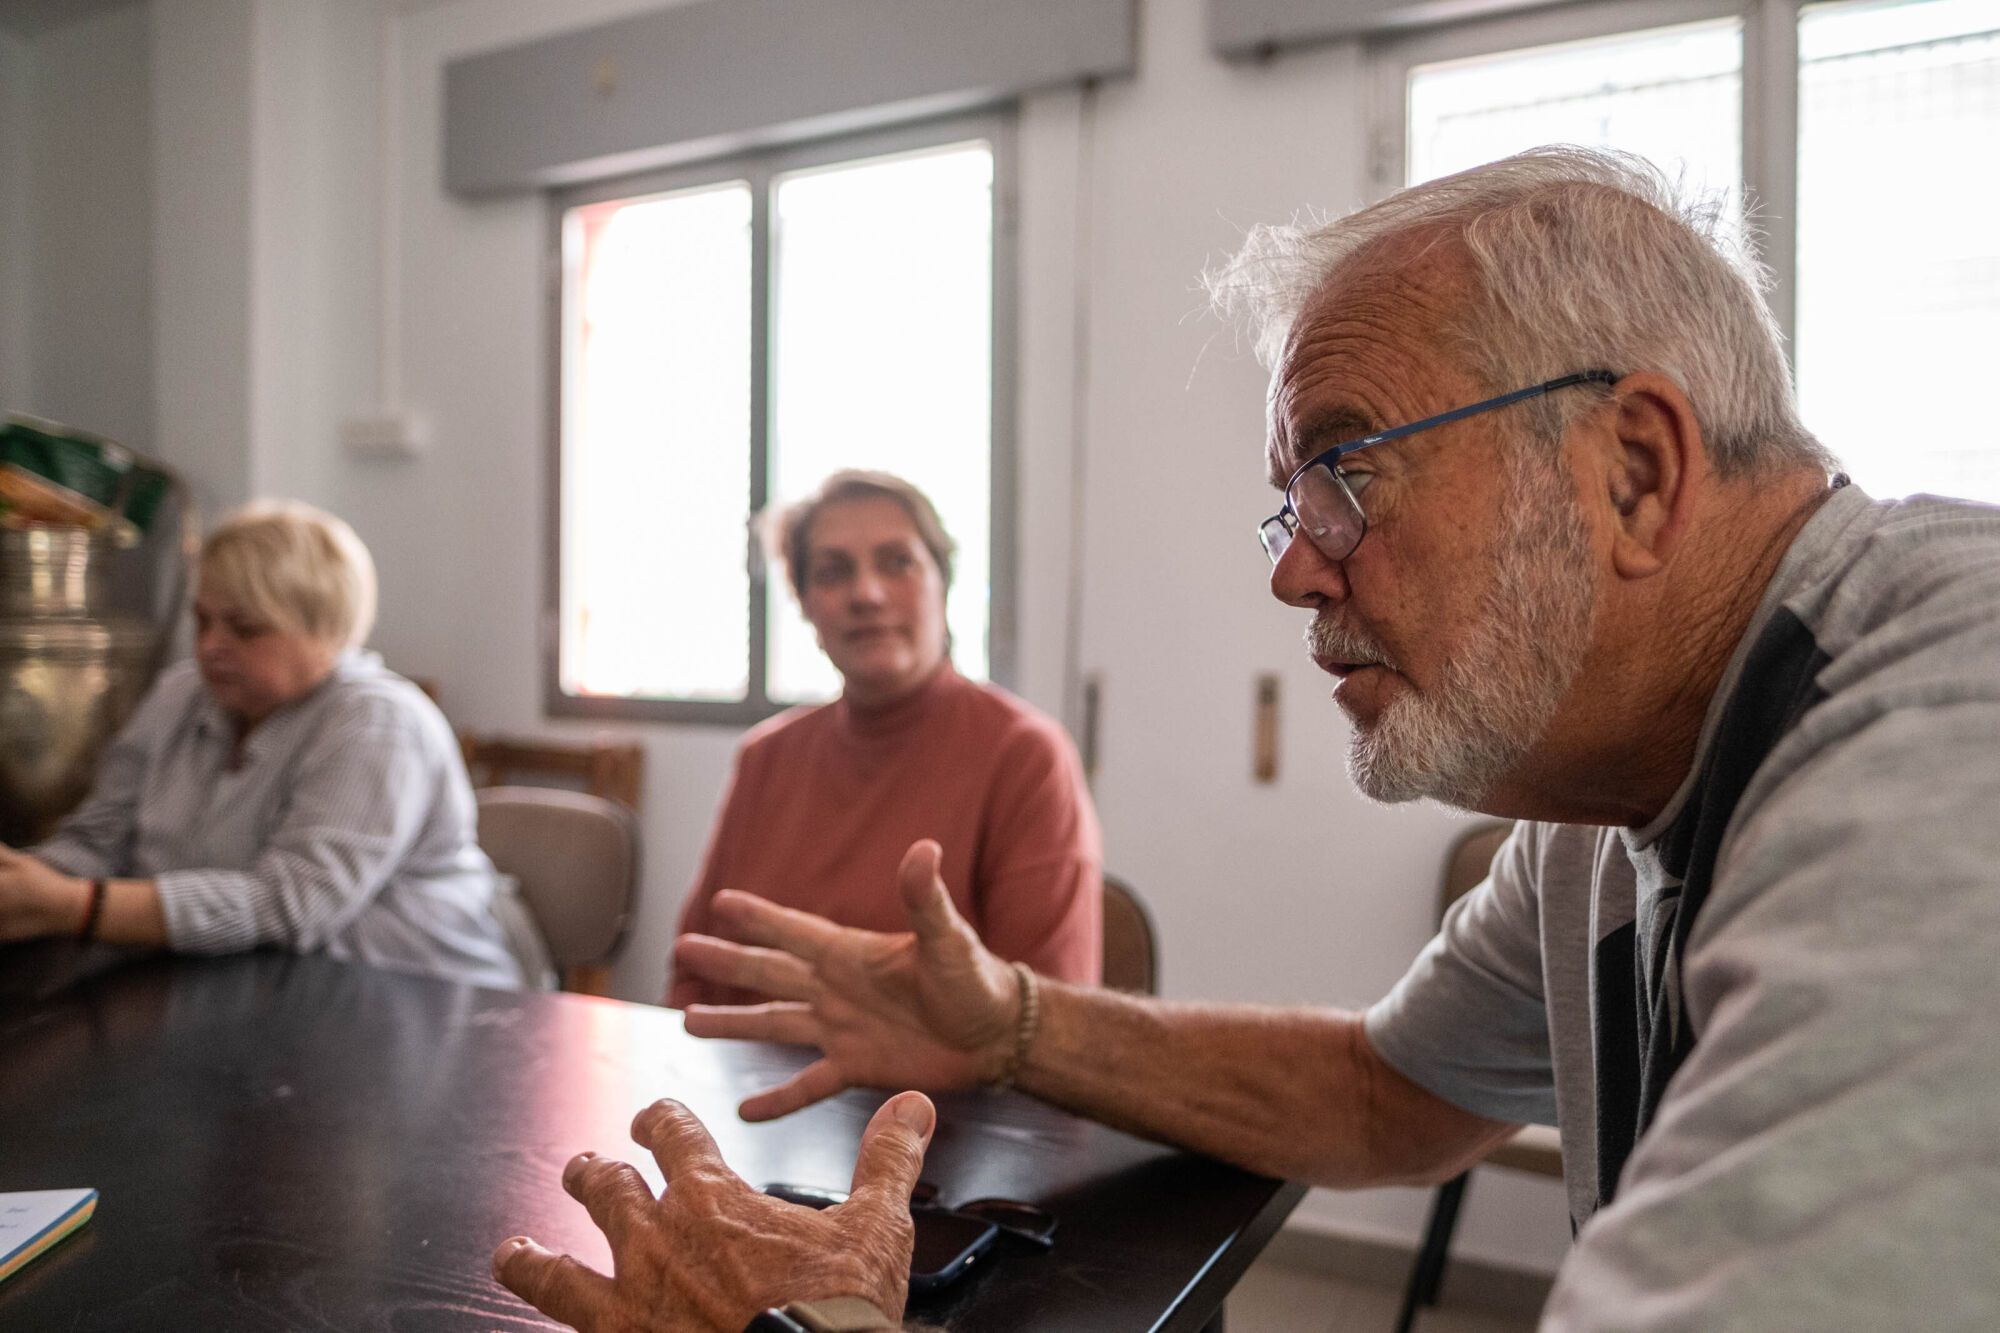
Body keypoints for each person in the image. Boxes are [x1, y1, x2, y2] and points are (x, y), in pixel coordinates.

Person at [493, 146, 2000, 1330]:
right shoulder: (1602, 810)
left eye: (1346, 471)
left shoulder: (1948, 729)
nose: (1294, 566)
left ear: (1636, 471)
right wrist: (1015, 1024)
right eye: (1293, 504)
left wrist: (809, 1328)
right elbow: (1384, 1097)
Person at [0, 499, 534, 989]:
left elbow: (292, 905)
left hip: (423, 1002)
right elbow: (99, 840)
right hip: (249, 988)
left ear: (326, 629)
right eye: (203, 620)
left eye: (245, 628)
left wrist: (76, 906)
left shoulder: (378, 723)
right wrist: (24, 884)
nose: (210, 646)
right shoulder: (182, 694)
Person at [664, 469, 1102, 1007]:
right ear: (804, 605)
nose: (867, 594)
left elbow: (1048, 1024)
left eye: (898, 563)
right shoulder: (765, 758)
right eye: (833, 572)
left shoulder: (1026, 757)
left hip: (933, 1096)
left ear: (944, 583)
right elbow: (693, 977)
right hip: (741, 1085)